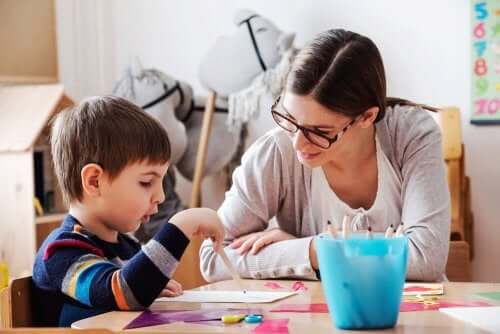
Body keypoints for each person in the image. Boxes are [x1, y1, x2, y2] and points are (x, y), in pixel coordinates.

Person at [200, 29, 450, 283]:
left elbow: (425, 257)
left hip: (412, 316)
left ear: (367, 117)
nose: (298, 142)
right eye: (289, 118)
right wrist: (311, 251)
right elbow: (213, 257)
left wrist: (319, 250)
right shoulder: (276, 151)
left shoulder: (409, 133)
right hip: (314, 317)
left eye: (320, 131)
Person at [33, 96, 224, 326]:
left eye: (162, 181)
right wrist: (181, 225)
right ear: (94, 181)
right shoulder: (61, 252)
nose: (161, 196)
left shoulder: (126, 245)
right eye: (146, 182)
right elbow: (124, 292)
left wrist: (149, 283)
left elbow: (132, 291)